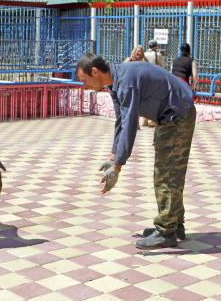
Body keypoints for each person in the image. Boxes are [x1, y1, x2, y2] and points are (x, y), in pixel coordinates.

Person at [76, 53, 196, 250]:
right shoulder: (115, 83)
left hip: (178, 115)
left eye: (84, 80)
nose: (85, 86)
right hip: (172, 116)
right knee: (169, 173)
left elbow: (131, 126)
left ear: (95, 72)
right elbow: (120, 122)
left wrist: (118, 167)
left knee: (166, 174)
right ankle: (174, 224)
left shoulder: (126, 82)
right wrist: (114, 156)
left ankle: (167, 231)